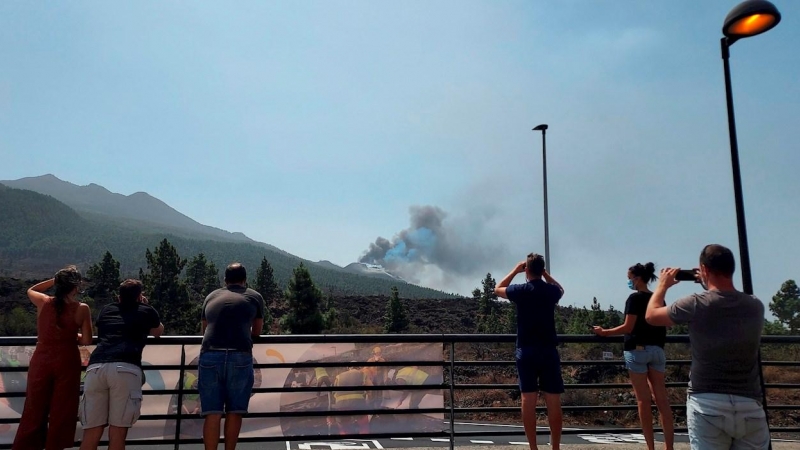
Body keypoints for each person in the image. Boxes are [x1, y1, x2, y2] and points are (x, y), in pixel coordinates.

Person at [645, 244, 768, 450]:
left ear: (704, 269)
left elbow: (652, 315)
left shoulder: (695, 303)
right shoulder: (755, 305)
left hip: (707, 402)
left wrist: (662, 286)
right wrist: (706, 279)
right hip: (749, 404)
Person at [592, 263, 674, 450]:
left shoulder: (634, 299)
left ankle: (651, 447)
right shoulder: (657, 298)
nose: (629, 281)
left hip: (637, 350)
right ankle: (669, 447)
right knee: (662, 400)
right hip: (657, 351)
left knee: (643, 401)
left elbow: (628, 327)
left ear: (637, 278)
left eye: (630, 278)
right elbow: (668, 323)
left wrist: (605, 332)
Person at [13, 265, 93, 450]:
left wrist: (53, 280)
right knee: (62, 409)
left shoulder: (44, 302)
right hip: (67, 360)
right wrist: (71, 336)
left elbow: (31, 290)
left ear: (59, 285)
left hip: (42, 358)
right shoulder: (82, 308)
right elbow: (87, 339)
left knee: (34, 407)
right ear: (76, 286)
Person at [79, 279, 164, 450]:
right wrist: (146, 307)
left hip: (96, 367)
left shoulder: (106, 310)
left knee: (92, 431)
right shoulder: (145, 310)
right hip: (126, 368)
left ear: (119, 296)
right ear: (140, 296)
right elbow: (158, 332)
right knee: (117, 433)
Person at [495, 254, 564, 450]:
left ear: (526, 270)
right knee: (553, 400)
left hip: (526, 350)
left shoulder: (521, 290)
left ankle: (533, 447)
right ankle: (556, 447)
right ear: (541, 270)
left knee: (528, 399)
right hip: (548, 350)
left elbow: (497, 289)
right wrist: (546, 275)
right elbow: (561, 289)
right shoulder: (550, 291)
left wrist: (515, 270)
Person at [199, 263, 265, 450]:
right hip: (239, 356)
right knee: (235, 411)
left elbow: (204, 329)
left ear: (225, 280)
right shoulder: (254, 296)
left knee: (212, 413)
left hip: (210, 354)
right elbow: (257, 331)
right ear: (245, 280)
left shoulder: (211, 296)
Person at [329, 364, 370, 435]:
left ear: (348, 368)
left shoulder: (339, 376)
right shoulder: (362, 374)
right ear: (358, 368)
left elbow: (333, 393)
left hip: (341, 405)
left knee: (344, 428)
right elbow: (370, 387)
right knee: (363, 425)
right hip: (358, 404)